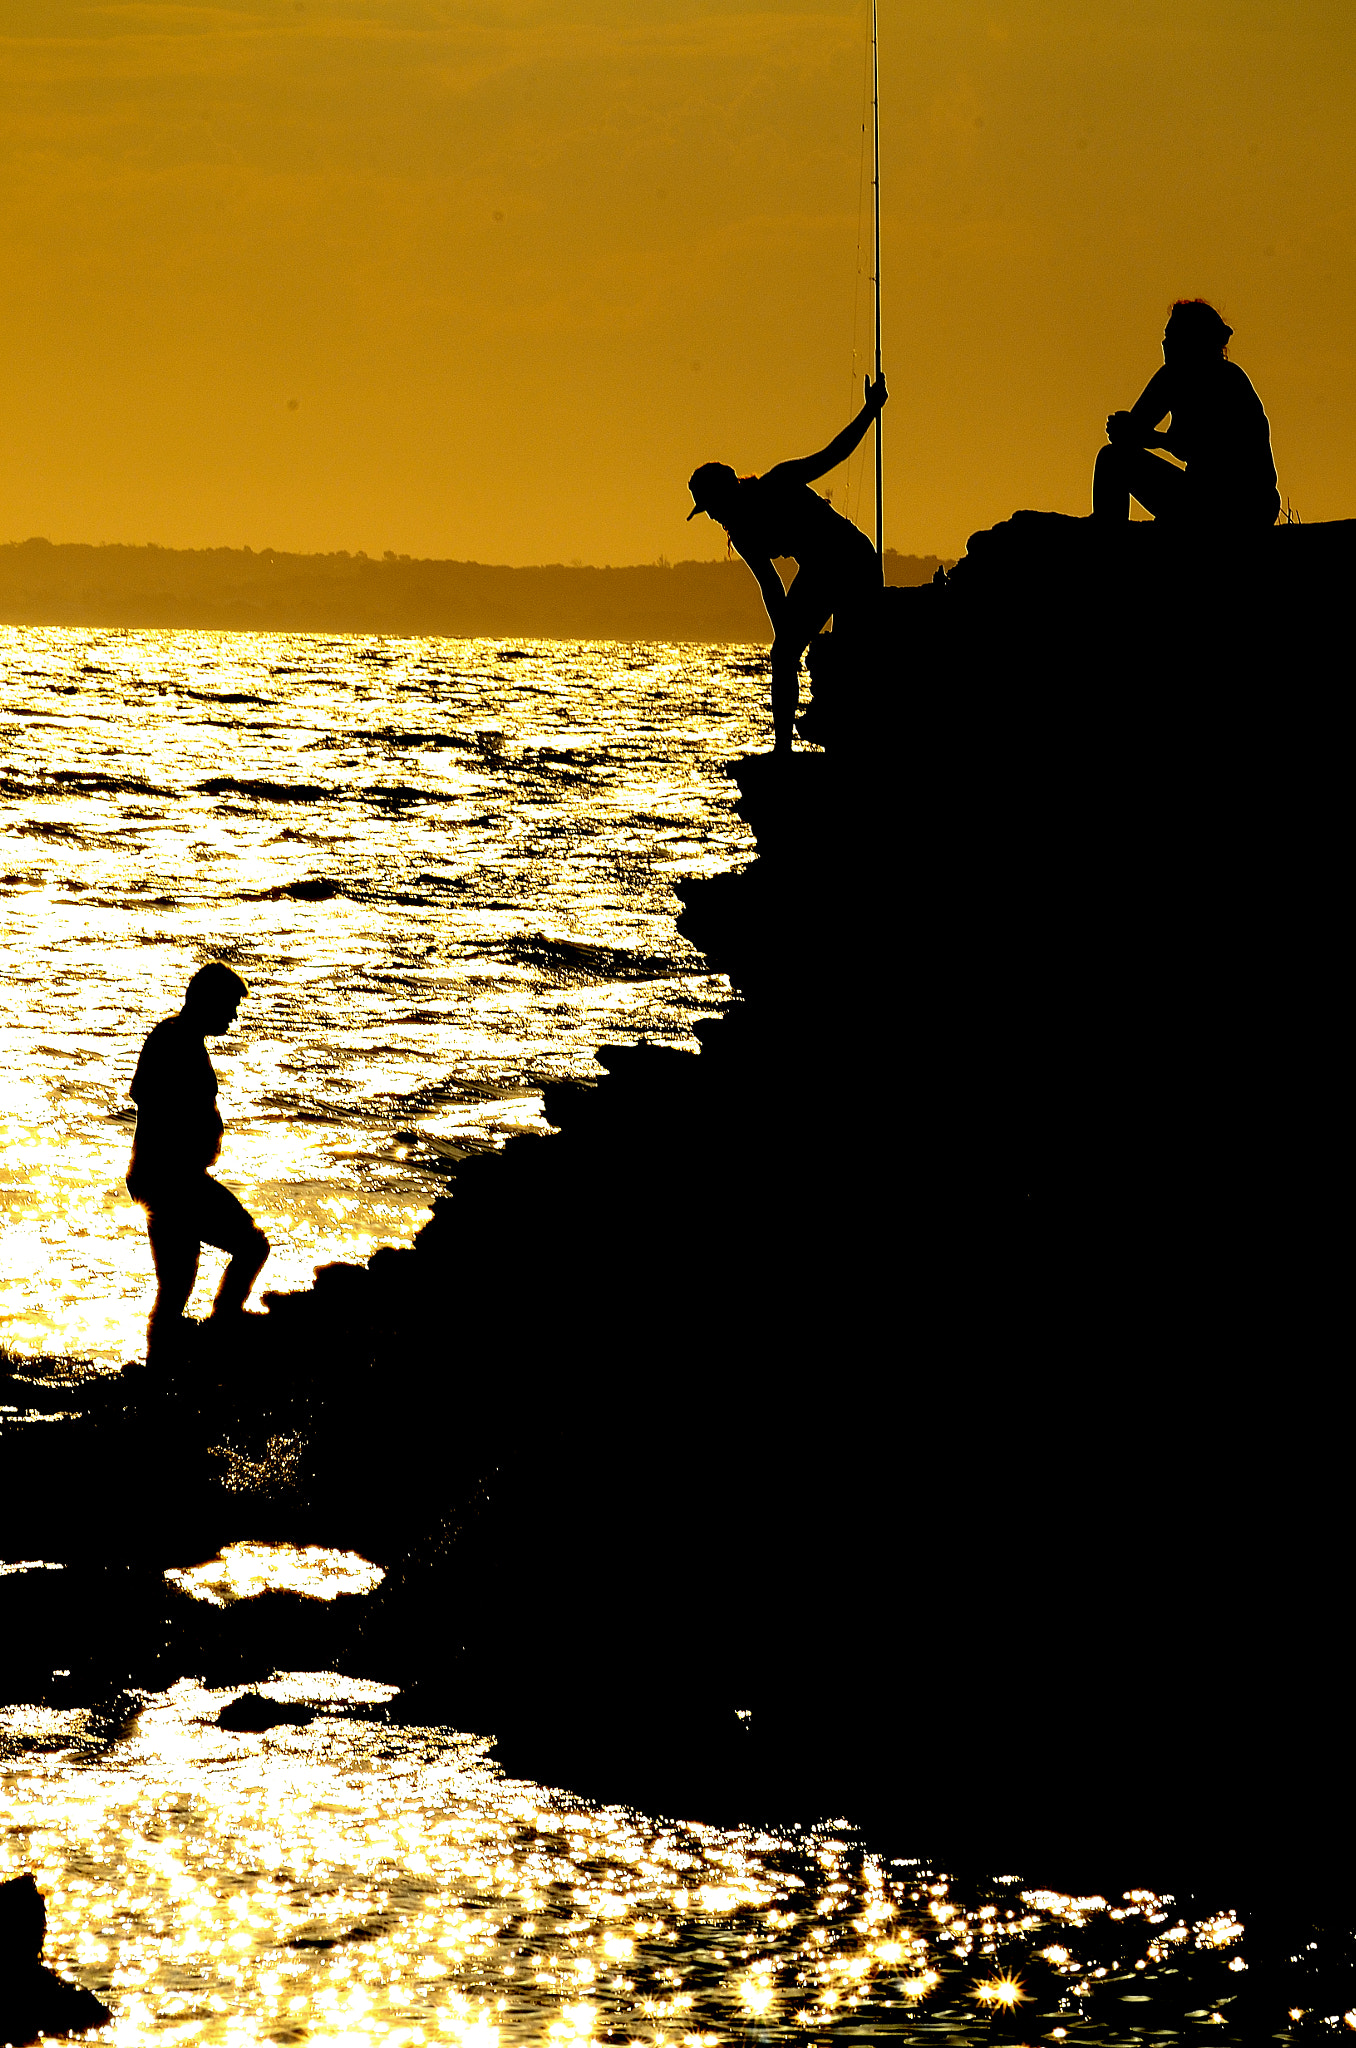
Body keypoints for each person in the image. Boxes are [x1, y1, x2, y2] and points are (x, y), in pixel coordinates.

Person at [687, 374, 888, 751]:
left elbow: (834, 454)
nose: (712, 517)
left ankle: (859, 737)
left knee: (851, 652)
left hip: (852, 559)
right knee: (783, 654)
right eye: (707, 511)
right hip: (818, 571)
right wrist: (789, 636)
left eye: (712, 506)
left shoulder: (779, 482)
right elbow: (769, 585)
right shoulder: (742, 534)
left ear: (731, 492)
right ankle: (783, 749)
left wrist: (870, 410)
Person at [126, 963, 269, 1363]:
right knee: (249, 1246)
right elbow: (148, 1098)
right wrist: (185, 1143)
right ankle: (221, 1322)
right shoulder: (172, 1039)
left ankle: (168, 1354)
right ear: (208, 1001)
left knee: (176, 1281)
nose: (233, 1017)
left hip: (171, 1176)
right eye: (229, 1006)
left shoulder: (183, 1038)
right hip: (171, 1179)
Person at [1093, 300, 1280, 531]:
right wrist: (1124, 428)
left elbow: (1212, 447)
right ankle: (1108, 527)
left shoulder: (1229, 382)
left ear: (1194, 341)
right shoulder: (1170, 377)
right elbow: (1137, 428)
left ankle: (1107, 537)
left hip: (1243, 505)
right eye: (1166, 336)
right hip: (1198, 495)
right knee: (1112, 458)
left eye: (1173, 336)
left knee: (1113, 460)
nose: (1165, 343)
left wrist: (1153, 439)